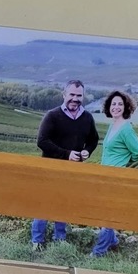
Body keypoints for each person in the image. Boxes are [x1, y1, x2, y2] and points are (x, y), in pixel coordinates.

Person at [31, 79, 98, 251]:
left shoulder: (87, 118)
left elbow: (93, 139)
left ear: (83, 97)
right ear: (64, 95)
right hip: (49, 170)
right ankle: (37, 242)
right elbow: (42, 141)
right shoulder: (52, 116)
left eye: (79, 95)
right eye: (72, 94)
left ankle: (59, 239)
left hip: (71, 172)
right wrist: (67, 154)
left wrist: (87, 151)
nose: (75, 99)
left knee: (63, 204)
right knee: (43, 204)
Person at [92, 89, 138, 256]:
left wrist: (123, 163)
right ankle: (113, 242)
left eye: (120, 104)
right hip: (105, 176)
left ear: (126, 107)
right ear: (109, 106)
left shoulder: (125, 129)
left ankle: (99, 252)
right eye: (113, 104)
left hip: (115, 178)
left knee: (106, 215)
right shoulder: (113, 124)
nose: (116, 107)